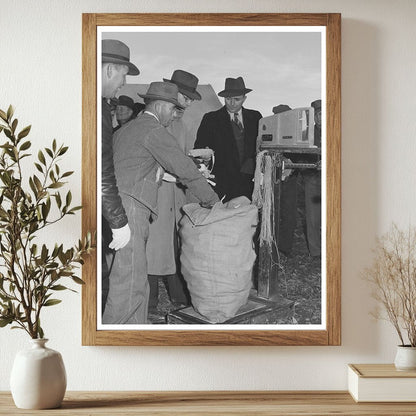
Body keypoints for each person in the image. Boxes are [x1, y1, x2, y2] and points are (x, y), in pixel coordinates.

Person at [102, 82, 219, 324]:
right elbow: (185, 169)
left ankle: (135, 334)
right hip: (131, 209)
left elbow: (137, 166)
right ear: (161, 106)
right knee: (129, 284)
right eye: (173, 109)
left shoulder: (126, 130)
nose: (174, 115)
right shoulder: (153, 130)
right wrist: (213, 201)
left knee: (133, 279)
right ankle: (114, 345)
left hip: (113, 209)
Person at [146, 70, 202, 315]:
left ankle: (178, 294)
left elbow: (181, 155)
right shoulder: (153, 120)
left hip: (175, 193)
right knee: (154, 246)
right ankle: (149, 300)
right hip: (157, 191)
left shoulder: (181, 124)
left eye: (191, 100)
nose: (188, 103)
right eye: (185, 97)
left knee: (175, 243)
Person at [101, 39, 140, 308]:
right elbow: (101, 171)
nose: (123, 83)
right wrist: (119, 221)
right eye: (124, 76)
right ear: (110, 70)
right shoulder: (98, 107)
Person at [195, 77, 262, 202]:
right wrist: (205, 156)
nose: (232, 103)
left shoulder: (256, 117)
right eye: (228, 99)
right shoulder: (210, 119)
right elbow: (198, 149)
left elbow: (261, 148)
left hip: (249, 185)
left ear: (244, 98)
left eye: (237, 99)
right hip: (221, 186)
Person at [271, 104, 298, 257]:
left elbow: (302, 155)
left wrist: (290, 165)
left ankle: (284, 249)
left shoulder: (296, 134)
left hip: (290, 179)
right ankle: (271, 246)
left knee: (289, 215)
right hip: (273, 179)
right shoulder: (269, 132)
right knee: (272, 212)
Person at [303, 99, 322, 258]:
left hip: (333, 178)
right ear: (314, 117)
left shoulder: (337, 129)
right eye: (318, 115)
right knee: (313, 217)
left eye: (323, 114)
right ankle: (316, 251)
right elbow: (301, 156)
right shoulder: (306, 134)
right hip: (313, 179)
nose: (321, 118)